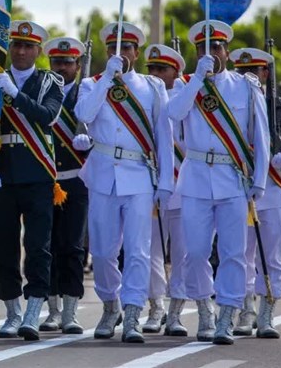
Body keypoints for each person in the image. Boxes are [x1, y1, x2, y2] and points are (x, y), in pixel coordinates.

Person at [167, 21, 268, 344]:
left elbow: (260, 137)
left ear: (226, 50)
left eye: (215, 47)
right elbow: (173, 113)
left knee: (233, 253)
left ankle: (226, 313)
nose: (209, 54)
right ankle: (204, 307)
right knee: (195, 252)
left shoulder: (245, 87)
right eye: (202, 49)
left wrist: (259, 181)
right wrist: (197, 78)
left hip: (232, 179)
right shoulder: (187, 85)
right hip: (196, 177)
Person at [74, 22, 173, 343]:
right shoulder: (92, 84)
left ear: (137, 51)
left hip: (139, 175)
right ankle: (109, 303)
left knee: (138, 250)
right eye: (115, 50)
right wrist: (106, 78)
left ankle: (132, 313)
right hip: (103, 173)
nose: (122, 54)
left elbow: (164, 136)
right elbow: (84, 114)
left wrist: (166, 183)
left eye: (127, 48)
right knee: (102, 252)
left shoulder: (152, 86)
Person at [0, 20, 64, 341]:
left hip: (37, 174)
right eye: (16, 45)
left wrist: (15, 94)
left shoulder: (50, 82)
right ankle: (12, 312)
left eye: (28, 46)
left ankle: (33, 311)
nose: (20, 51)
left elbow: (47, 116)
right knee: (3, 246)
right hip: (2, 172)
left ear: (38, 51)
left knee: (37, 246)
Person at [229, 47, 281, 339]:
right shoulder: (230, 107)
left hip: (274, 188)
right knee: (241, 253)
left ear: (266, 73)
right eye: (241, 71)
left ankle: (267, 310)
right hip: (241, 186)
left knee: (272, 255)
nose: (248, 76)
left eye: (255, 71)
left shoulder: (280, 105)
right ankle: (245, 307)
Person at [40, 36, 89, 334]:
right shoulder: (43, 90)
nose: (61, 67)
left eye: (67, 63)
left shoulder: (87, 92)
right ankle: (52, 309)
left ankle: (70, 311)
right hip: (45, 179)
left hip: (76, 179)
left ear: (78, 65)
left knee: (71, 247)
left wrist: (90, 142)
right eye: (56, 62)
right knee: (45, 246)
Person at [143, 44, 189, 335]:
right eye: (152, 69)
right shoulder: (144, 96)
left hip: (185, 184)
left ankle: (176, 310)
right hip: (153, 182)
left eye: (162, 69)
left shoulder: (190, 96)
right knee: (150, 251)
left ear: (177, 71)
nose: (156, 75)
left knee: (184, 251)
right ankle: (156, 304)